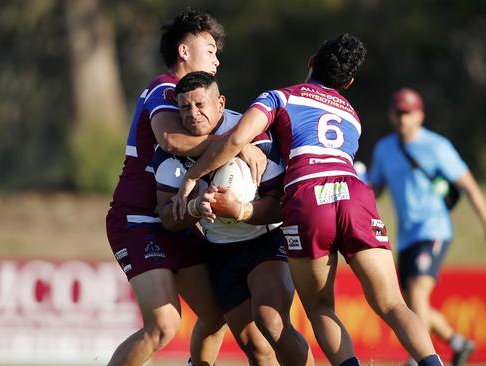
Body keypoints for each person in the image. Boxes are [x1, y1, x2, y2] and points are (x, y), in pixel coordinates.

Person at [174, 34, 444, 366]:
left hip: (308, 196)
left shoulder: (279, 98)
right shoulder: (352, 116)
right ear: (348, 81)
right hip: (354, 192)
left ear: (311, 61)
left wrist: (192, 175)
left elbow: (236, 139)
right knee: (392, 303)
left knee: (320, 307)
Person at [105, 9, 267, 366]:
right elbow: (172, 140)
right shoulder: (164, 88)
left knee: (215, 314)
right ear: (184, 51)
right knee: (164, 325)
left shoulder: (194, 98)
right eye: (209, 49)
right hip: (138, 220)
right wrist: (238, 144)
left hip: (177, 220)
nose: (216, 59)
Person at [153, 71, 314, 365]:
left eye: (200, 104)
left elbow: (280, 205)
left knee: (272, 323)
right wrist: (194, 209)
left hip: (265, 240)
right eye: (184, 107)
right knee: (254, 347)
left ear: (220, 103)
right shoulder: (169, 150)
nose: (192, 114)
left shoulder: (253, 133)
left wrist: (241, 210)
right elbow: (168, 217)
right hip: (220, 251)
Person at [368, 87, 486, 366]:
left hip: (433, 229)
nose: (403, 119)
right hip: (406, 235)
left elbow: (467, 184)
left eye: (408, 113)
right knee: (409, 304)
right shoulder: (384, 149)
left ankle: (419, 357)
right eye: (398, 113)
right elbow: (375, 188)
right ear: (390, 115)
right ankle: (458, 343)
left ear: (420, 115)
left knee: (419, 291)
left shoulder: (437, 146)